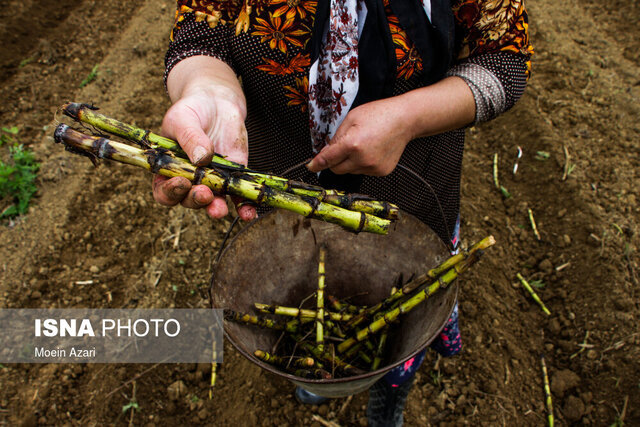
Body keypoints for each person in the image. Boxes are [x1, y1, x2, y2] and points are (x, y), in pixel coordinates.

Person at [153, 0, 533, 424]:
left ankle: (389, 394)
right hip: (282, 196)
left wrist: (408, 118)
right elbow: (200, 35)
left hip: (410, 195)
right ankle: (320, 375)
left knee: (403, 320)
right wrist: (209, 89)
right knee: (298, 301)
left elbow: (504, 59)